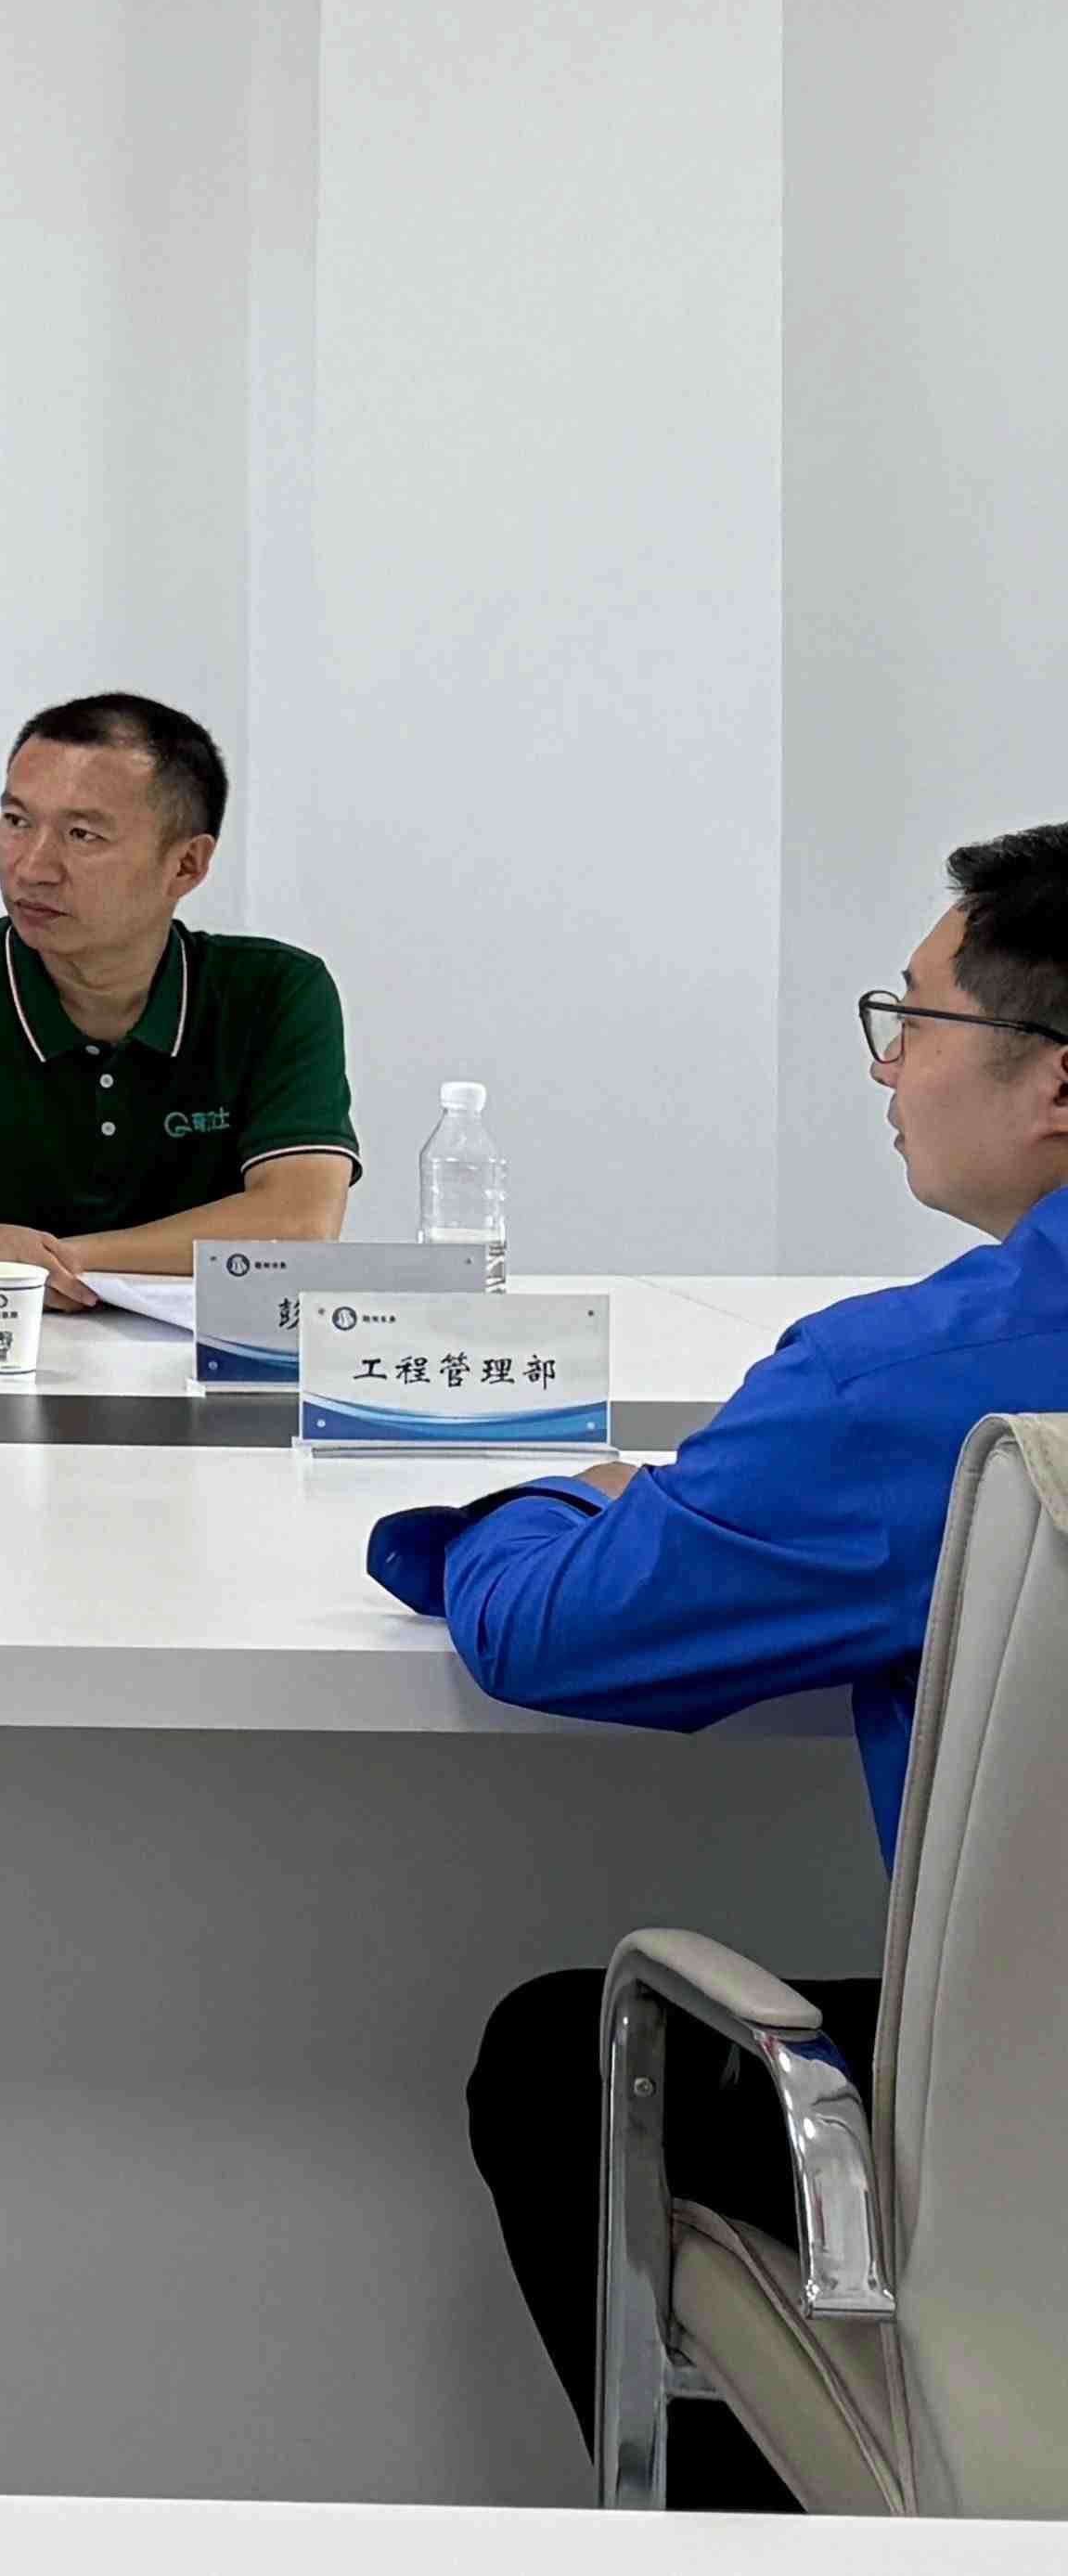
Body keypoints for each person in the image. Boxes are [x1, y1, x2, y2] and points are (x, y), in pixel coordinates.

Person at [389, 825, 1068, 2507]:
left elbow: (557, 1628)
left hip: (1034, 2155)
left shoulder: (916, 1388)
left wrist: (558, 1499)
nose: (889, 1065)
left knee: (566, 2059)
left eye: (912, 1017)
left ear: (1055, 1080)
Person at [0, 692, 356, 1306]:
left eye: (82, 835)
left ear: (186, 866)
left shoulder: (275, 993)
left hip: (184, 1358)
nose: (32, 867)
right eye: (17, 821)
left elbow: (300, 1219)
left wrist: (56, 1265)